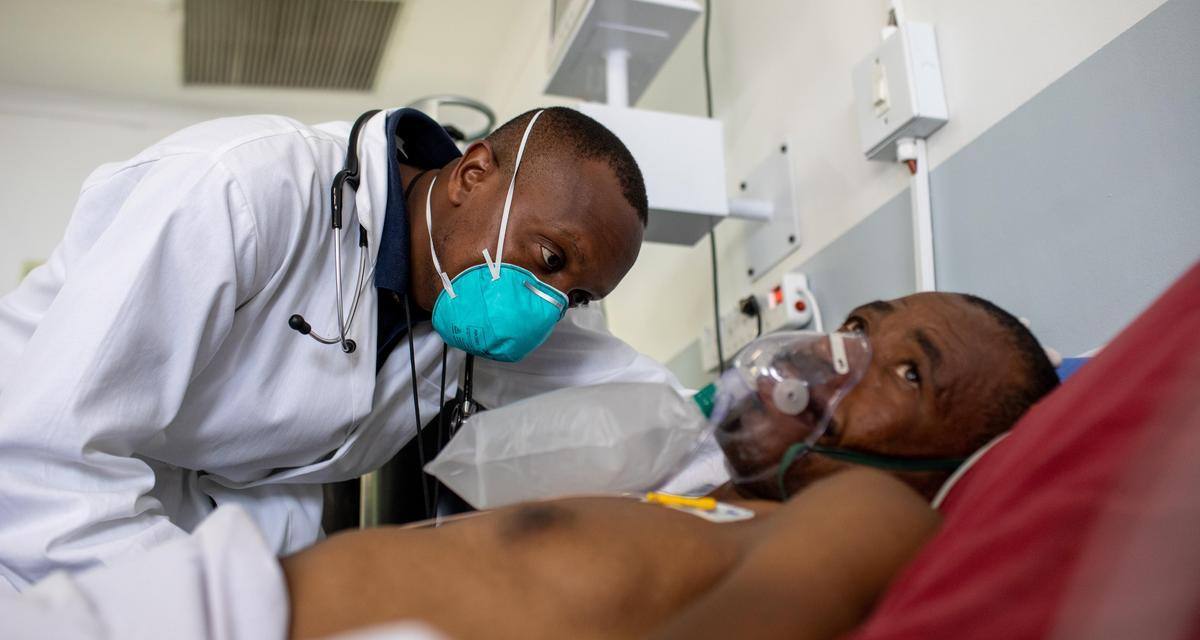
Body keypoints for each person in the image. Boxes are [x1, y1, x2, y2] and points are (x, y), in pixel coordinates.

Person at [1, 291, 1059, 639]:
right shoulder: (690, 488)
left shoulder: (876, 509)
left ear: (958, 461)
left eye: (905, 373)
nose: (840, 354)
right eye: (860, 323)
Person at [0, 106, 686, 592]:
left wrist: (759, 417)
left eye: (577, 295)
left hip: (194, 526)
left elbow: (653, 408)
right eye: (549, 257)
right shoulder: (239, 189)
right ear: (471, 174)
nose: (549, 305)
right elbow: (46, 465)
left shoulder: (480, 298)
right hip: (41, 517)